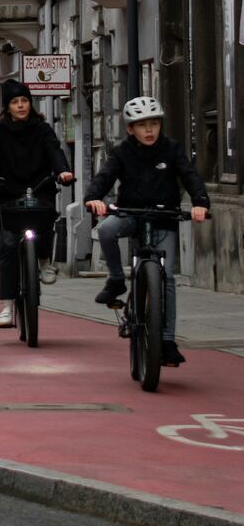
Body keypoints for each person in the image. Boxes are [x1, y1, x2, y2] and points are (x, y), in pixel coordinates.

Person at [84, 94, 209, 368]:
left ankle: (166, 341)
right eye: (142, 125)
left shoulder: (172, 149)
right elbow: (104, 177)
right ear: (131, 129)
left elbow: (190, 176)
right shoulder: (122, 152)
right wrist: (93, 198)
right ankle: (116, 279)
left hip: (164, 217)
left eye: (154, 124)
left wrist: (200, 203)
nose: (149, 130)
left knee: (166, 280)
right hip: (131, 214)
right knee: (106, 230)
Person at [0, 77, 74, 329]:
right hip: (7, 193)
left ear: (30, 104)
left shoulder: (42, 129)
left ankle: (43, 261)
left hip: (38, 189)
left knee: (44, 220)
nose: (20, 106)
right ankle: (7, 305)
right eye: (15, 102)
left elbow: (54, 150)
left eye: (24, 101)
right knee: (8, 244)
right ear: (7, 107)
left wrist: (63, 171)